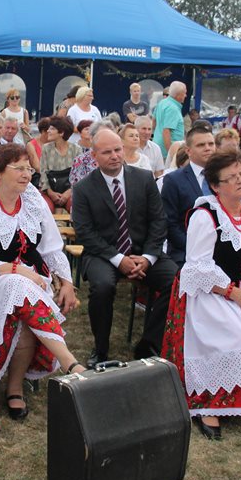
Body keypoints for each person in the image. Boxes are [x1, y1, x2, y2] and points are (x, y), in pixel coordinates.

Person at [0, 144, 84, 417]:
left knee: (23, 298)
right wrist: (17, 270)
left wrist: (67, 282)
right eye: (19, 168)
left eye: (29, 169)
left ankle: (15, 389)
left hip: (27, 284)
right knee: (18, 284)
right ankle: (70, 362)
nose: (26, 175)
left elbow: (51, 247)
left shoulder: (33, 199)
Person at [162, 151, 241, 437]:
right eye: (230, 178)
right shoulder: (205, 215)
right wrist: (234, 294)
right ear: (216, 186)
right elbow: (198, 267)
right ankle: (209, 403)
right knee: (235, 333)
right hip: (210, 292)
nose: (239, 181)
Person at [72, 129, 178, 364]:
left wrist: (148, 257)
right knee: (102, 287)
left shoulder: (144, 178)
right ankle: (100, 349)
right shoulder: (83, 189)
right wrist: (119, 259)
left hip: (144, 251)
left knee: (176, 281)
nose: (114, 156)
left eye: (117, 150)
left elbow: (159, 221)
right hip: (103, 254)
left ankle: (149, 344)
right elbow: (85, 233)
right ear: (94, 155)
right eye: (107, 152)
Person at [161, 125, 217, 266]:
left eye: (211, 144)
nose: (208, 148)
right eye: (201, 145)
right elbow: (170, 224)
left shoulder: (223, 176)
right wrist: (196, 248)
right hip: (186, 252)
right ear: (188, 151)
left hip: (222, 251)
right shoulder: (174, 180)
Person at [39, 116, 81, 213]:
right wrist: (50, 192)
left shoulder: (76, 150)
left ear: (61, 132)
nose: (48, 131)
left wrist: (68, 193)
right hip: (49, 190)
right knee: (45, 208)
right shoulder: (46, 148)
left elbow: (79, 176)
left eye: (52, 128)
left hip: (70, 190)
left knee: (76, 205)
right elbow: (43, 173)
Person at [152, 81, 186, 157]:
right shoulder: (173, 108)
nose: (185, 95)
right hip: (166, 151)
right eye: (184, 93)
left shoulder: (162, 102)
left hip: (158, 146)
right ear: (178, 95)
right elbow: (166, 131)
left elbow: (154, 121)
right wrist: (171, 155)